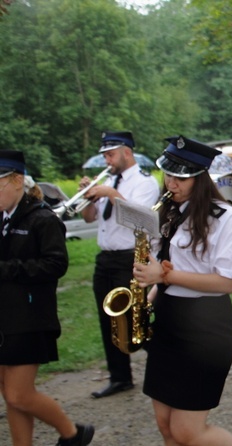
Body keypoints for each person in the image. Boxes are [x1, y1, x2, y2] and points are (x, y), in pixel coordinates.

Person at [132, 136, 232, 446]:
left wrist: (165, 278)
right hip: (168, 319)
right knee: (166, 426)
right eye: (168, 174)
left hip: (205, 326)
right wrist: (147, 300)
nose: (172, 182)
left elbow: (227, 282)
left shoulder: (223, 217)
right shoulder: (165, 212)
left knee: (188, 431)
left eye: (181, 177)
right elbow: (163, 269)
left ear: (200, 178)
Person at [0, 150, 95, 446]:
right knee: (10, 394)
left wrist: (6, 268)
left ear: (17, 181)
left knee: (19, 394)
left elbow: (56, 265)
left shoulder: (42, 218)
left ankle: (72, 434)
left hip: (30, 318)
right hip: (5, 317)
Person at [80, 131, 160, 398]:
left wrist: (111, 193)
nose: (107, 160)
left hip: (129, 256)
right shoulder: (109, 181)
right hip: (105, 257)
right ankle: (120, 377)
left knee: (132, 317)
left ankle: (168, 357)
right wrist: (85, 198)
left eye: (110, 154)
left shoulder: (143, 182)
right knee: (108, 318)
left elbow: (140, 219)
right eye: (104, 155)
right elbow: (90, 218)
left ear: (127, 152)